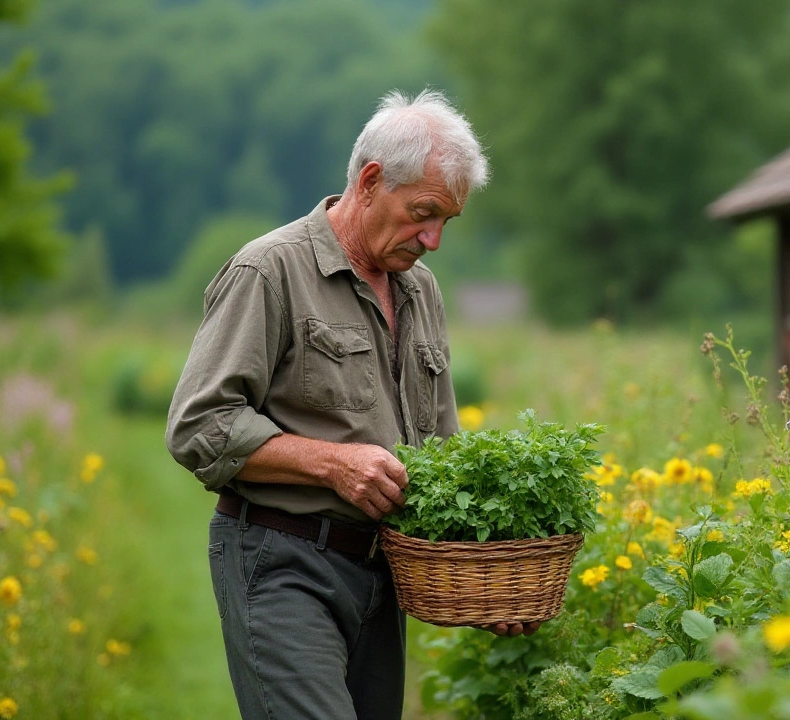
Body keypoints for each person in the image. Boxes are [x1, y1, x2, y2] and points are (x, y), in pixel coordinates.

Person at [165, 89, 537, 720]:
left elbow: (442, 455)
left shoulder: (421, 290)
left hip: (380, 575)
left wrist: (487, 573)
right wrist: (332, 464)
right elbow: (199, 425)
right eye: (424, 213)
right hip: (281, 563)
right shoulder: (269, 271)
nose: (434, 239)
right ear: (370, 182)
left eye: (447, 221)